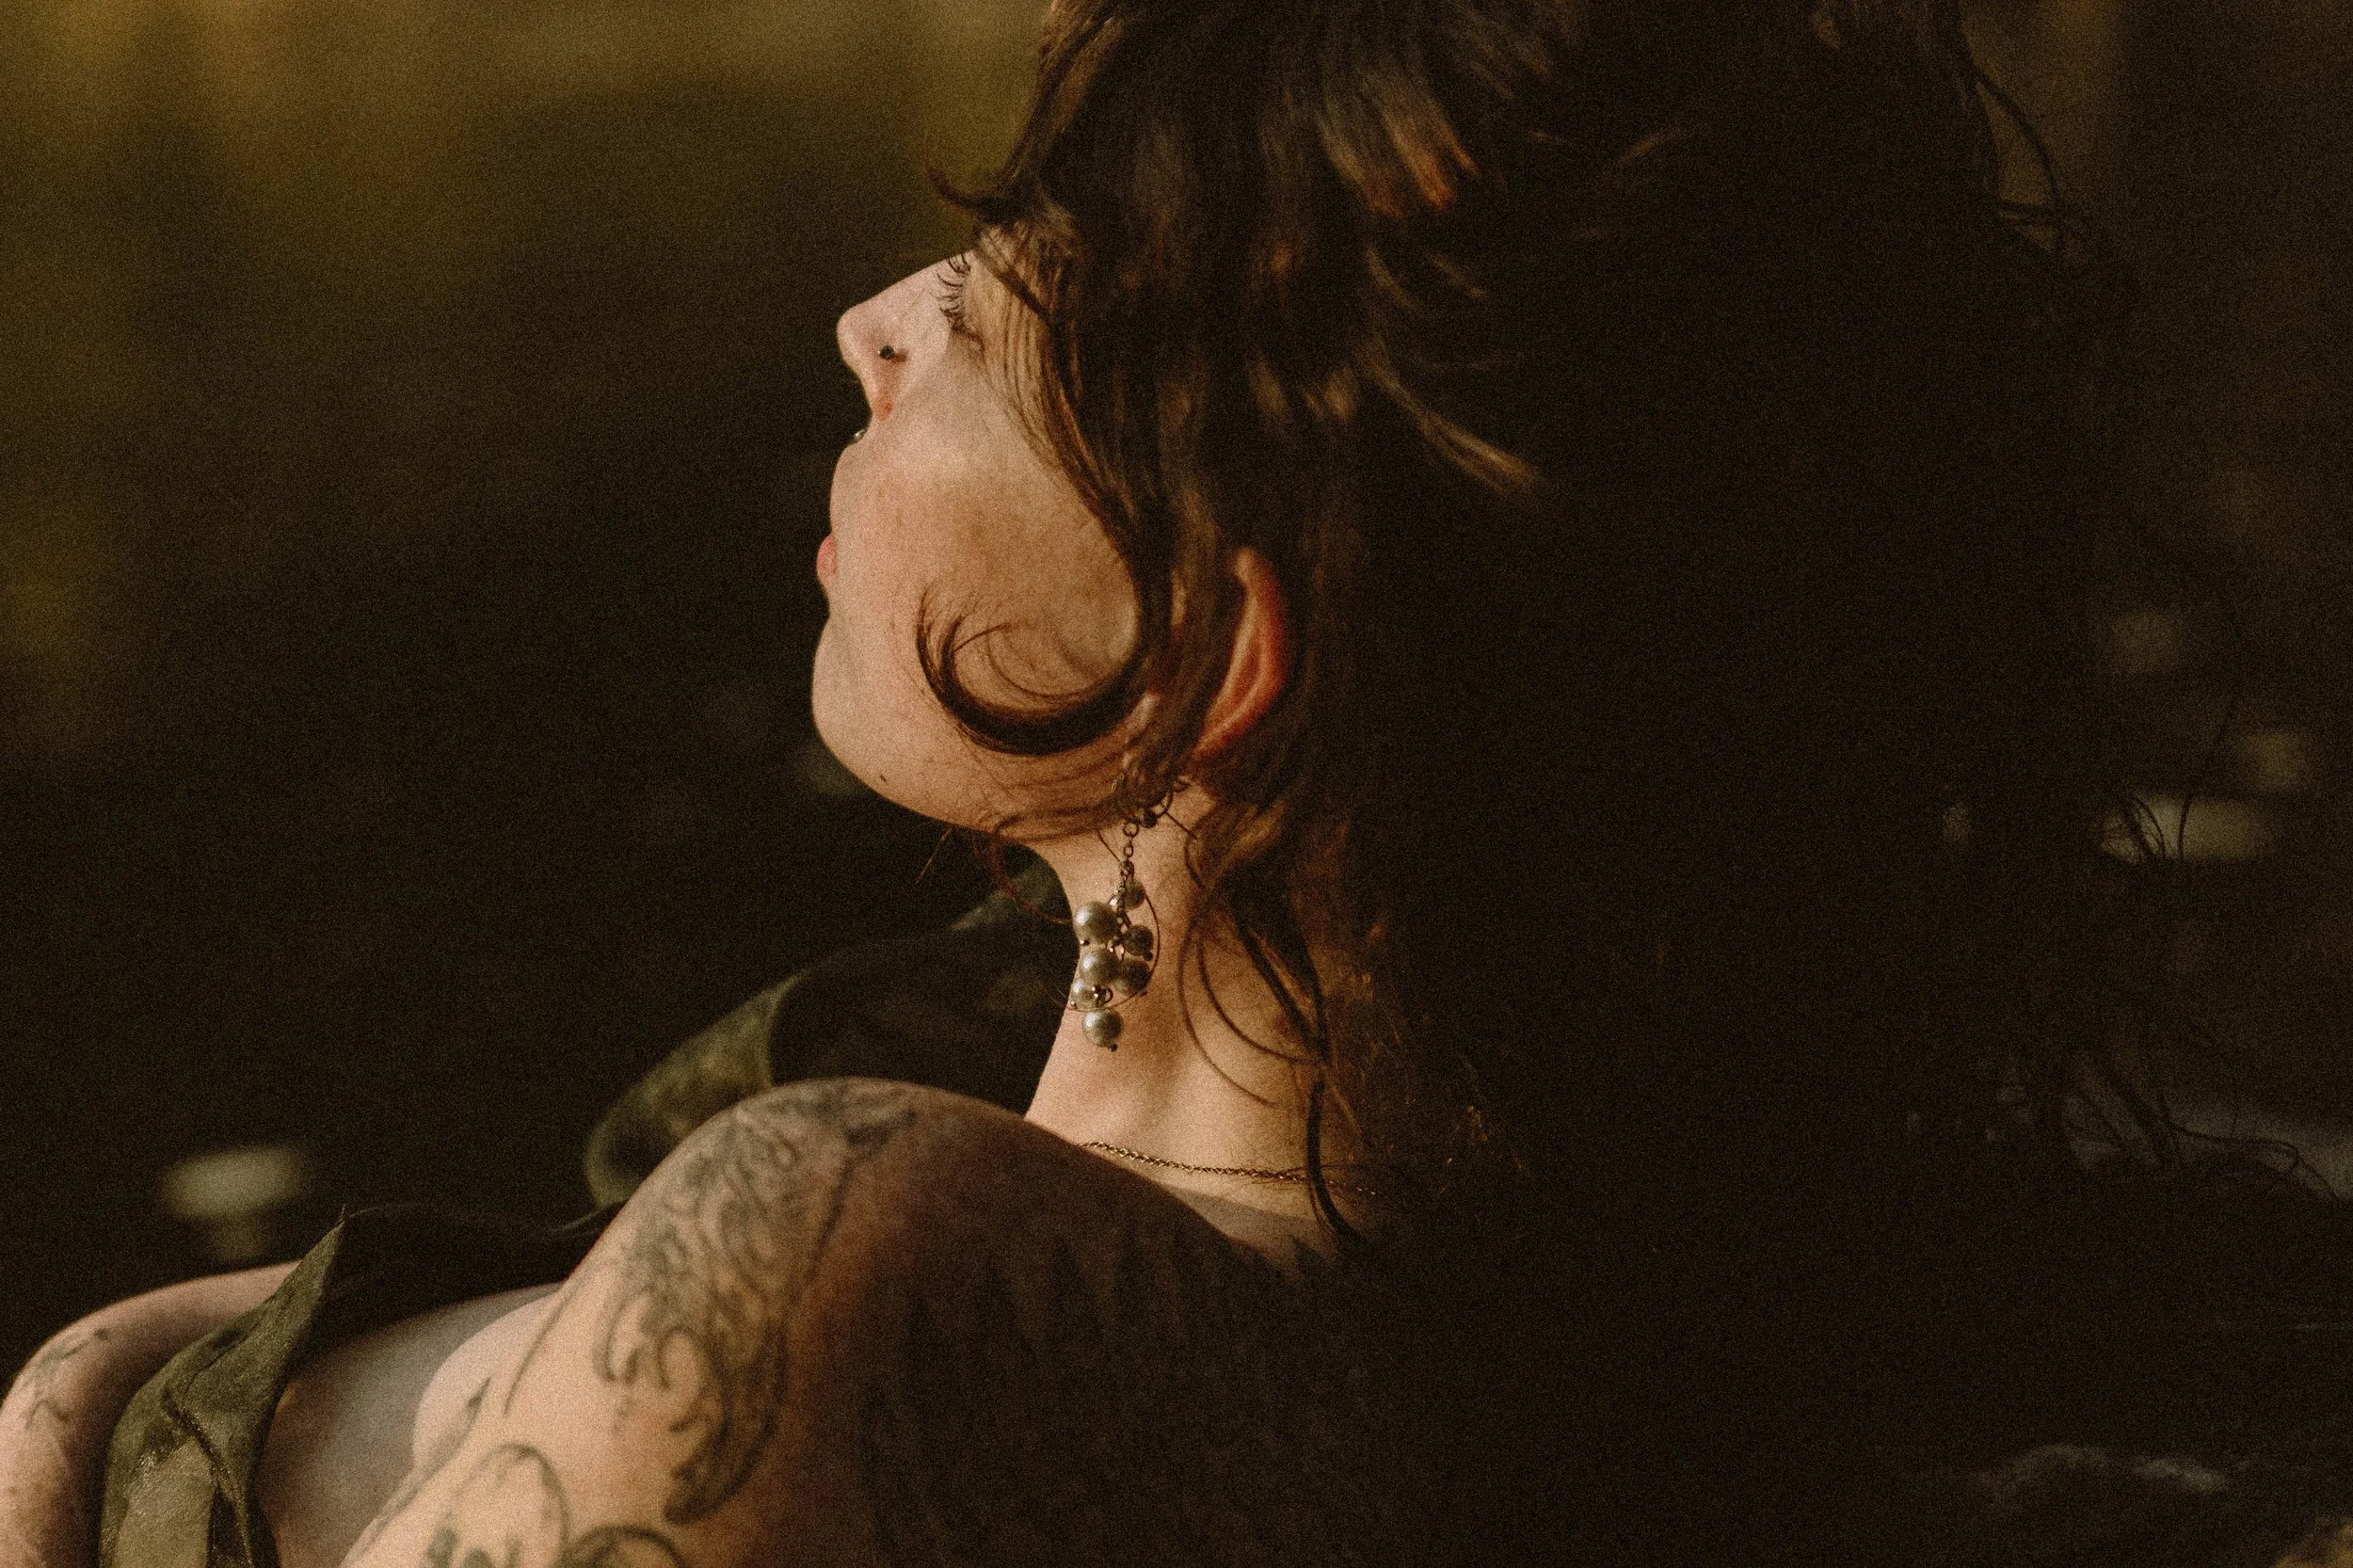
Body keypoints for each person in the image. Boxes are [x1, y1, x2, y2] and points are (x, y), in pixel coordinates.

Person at [13, 1, 2353, 1563]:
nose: (874, 323)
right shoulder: (1030, 1133)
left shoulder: (853, 1253)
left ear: (1232, 637)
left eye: (1006, 282)